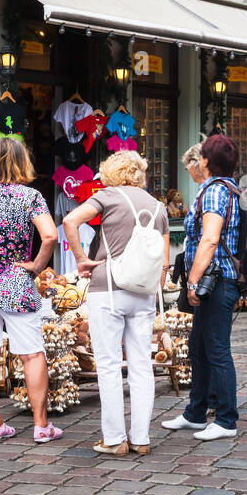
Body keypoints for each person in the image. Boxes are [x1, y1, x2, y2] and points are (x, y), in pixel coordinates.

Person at [63, 151, 170, 456]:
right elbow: (163, 263)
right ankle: (141, 438)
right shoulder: (158, 207)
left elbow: (70, 220)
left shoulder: (108, 196)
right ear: (140, 174)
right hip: (144, 293)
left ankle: (113, 439)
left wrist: (82, 259)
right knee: (141, 365)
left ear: (111, 173)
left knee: (109, 365)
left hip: (107, 288)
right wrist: (154, 292)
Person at [0, 138, 61, 443]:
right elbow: (50, 236)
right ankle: (41, 425)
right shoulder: (29, 196)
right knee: (32, 355)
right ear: (23, 161)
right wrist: (36, 266)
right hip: (15, 282)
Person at [162, 133, 242, 441]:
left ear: (205, 161)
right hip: (220, 280)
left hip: (215, 281)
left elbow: (209, 240)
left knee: (217, 350)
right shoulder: (229, 188)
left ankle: (225, 419)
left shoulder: (213, 193)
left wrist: (193, 282)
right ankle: (195, 414)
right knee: (198, 346)